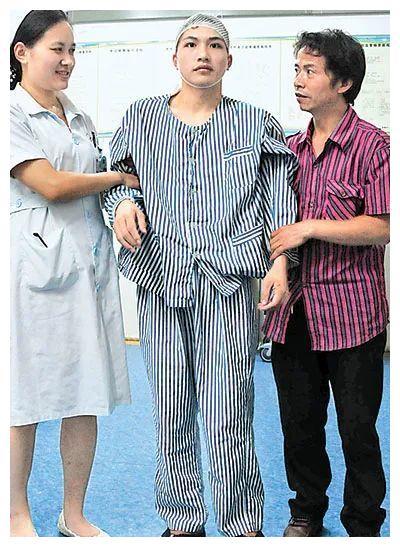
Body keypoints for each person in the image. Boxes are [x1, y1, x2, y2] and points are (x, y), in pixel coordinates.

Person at [103, 13, 298, 538]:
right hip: (160, 277)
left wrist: (280, 262)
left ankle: (242, 525)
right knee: (170, 409)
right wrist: (122, 205)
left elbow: (280, 197)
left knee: (229, 410)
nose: (203, 53)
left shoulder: (255, 122)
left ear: (229, 59)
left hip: (229, 279)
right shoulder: (141, 117)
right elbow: (115, 178)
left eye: (214, 45)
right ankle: (182, 522)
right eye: (191, 44)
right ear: (175, 57)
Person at [10, 10, 138, 537]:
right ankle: (16, 515)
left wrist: (122, 196)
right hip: (34, 272)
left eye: (72, 51)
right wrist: (117, 178)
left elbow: (92, 184)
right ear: (22, 52)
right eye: (56, 49)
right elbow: (52, 185)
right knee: (24, 397)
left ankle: (74, 514)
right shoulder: (11, 114)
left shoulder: (77, 116)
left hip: (87, 268)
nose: (67, 60)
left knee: (86, 393)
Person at [263, 29, 390, 537]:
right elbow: (271, 220)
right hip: (293, 312)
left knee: (357, 429)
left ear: (343, 82)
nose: (298, 80)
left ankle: (363, 522)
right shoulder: (288, 149)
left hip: (353, 313)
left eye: (309, 71)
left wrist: (312, 227)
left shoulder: (373, 145)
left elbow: (381, 226)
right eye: (296, 70)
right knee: (299, 426)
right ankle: (307, 511)